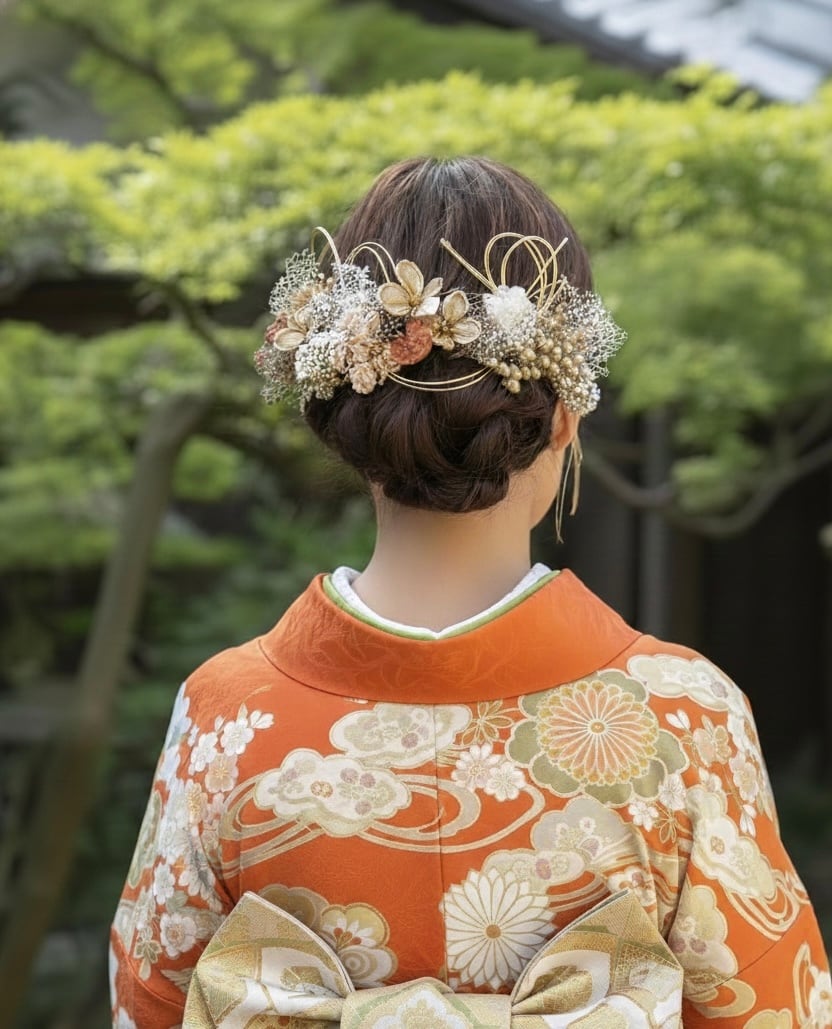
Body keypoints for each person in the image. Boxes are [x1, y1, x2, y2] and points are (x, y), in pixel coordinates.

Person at [110, 157, 831, 1028]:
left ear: (342, 417)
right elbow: (775, 1006)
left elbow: (149, 1001)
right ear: (564, 416)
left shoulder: (224, 715)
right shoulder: (683, 717)